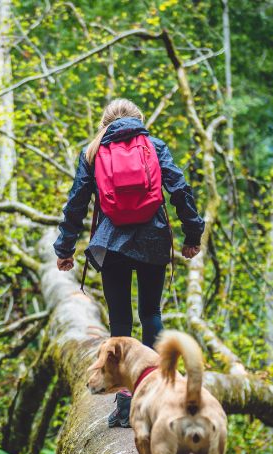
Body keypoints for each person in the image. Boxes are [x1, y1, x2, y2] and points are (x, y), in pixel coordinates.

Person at [53, 98, 204, 428]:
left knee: (120, 322)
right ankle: (159, 393)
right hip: (153, 239)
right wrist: (192, 233)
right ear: (139, 119)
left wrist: (65, 248)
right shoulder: (153, 145)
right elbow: (180, 189)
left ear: (104, 123)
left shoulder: (93, 152)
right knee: (151, 314)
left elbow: (76, 202)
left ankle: (124, 406)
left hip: (111, 243)